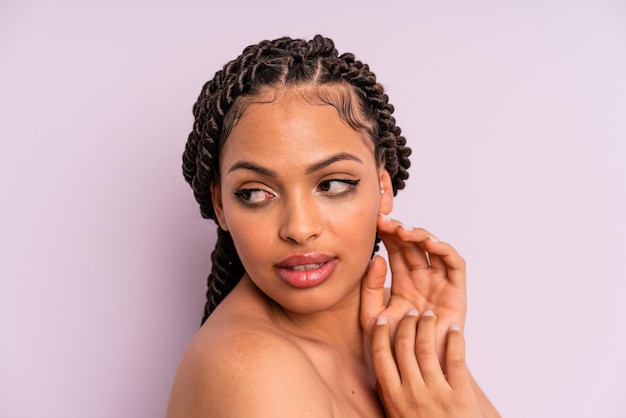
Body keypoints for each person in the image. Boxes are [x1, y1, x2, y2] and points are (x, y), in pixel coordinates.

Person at [166, 35, 499, 417]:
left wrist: (432, 354)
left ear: (383, 185)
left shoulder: (394, 325)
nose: (300, 228)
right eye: (256, 193)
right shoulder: (248, 364)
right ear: (220, 205)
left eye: (333, 184)